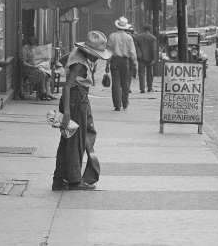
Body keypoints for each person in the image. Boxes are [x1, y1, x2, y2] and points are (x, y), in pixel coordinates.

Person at [53, 31, 111, 191]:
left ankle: (60, 179)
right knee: (76, 141)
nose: (97, 58)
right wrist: (67, 113)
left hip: (77, 98)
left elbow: (61, 61)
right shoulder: (80, 63)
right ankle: (74, 180)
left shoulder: (76, 54)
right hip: (76, 100)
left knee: (68, 140)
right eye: (96, 55)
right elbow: (66, 87)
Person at [108, 17, 137, 111]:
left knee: (115, 82)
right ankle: (124, 102)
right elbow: (132, 52)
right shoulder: (129, 38)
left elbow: (108, 51)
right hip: (125, 61)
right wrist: (135, 62)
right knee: (125, 82)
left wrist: (107, 63)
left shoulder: (112, 36)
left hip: (114, 60)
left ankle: (117, 104)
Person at [20, 35, 56, 101]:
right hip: (27, 69)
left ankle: (47, 92)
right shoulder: (24, 50)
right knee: (42, 74)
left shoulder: (30, 49)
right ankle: (42, 91)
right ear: (29, 44)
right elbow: (24, 63)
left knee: (47, 72)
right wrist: (33, 66)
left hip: (33, 67)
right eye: (32, 45)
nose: (33, 47)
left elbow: (33, 60)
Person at [132, 24, 158, 93]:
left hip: (141, 57)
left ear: (143, 29)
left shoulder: (138, 37)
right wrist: (154, 58)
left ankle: (142, 88)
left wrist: (139, 54)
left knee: (141, 73)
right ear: (150, 30)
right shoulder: (153, 38)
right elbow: (153, 49)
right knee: (149, 73)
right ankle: (149, 87)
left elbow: (136, 47)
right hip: (149, 58)